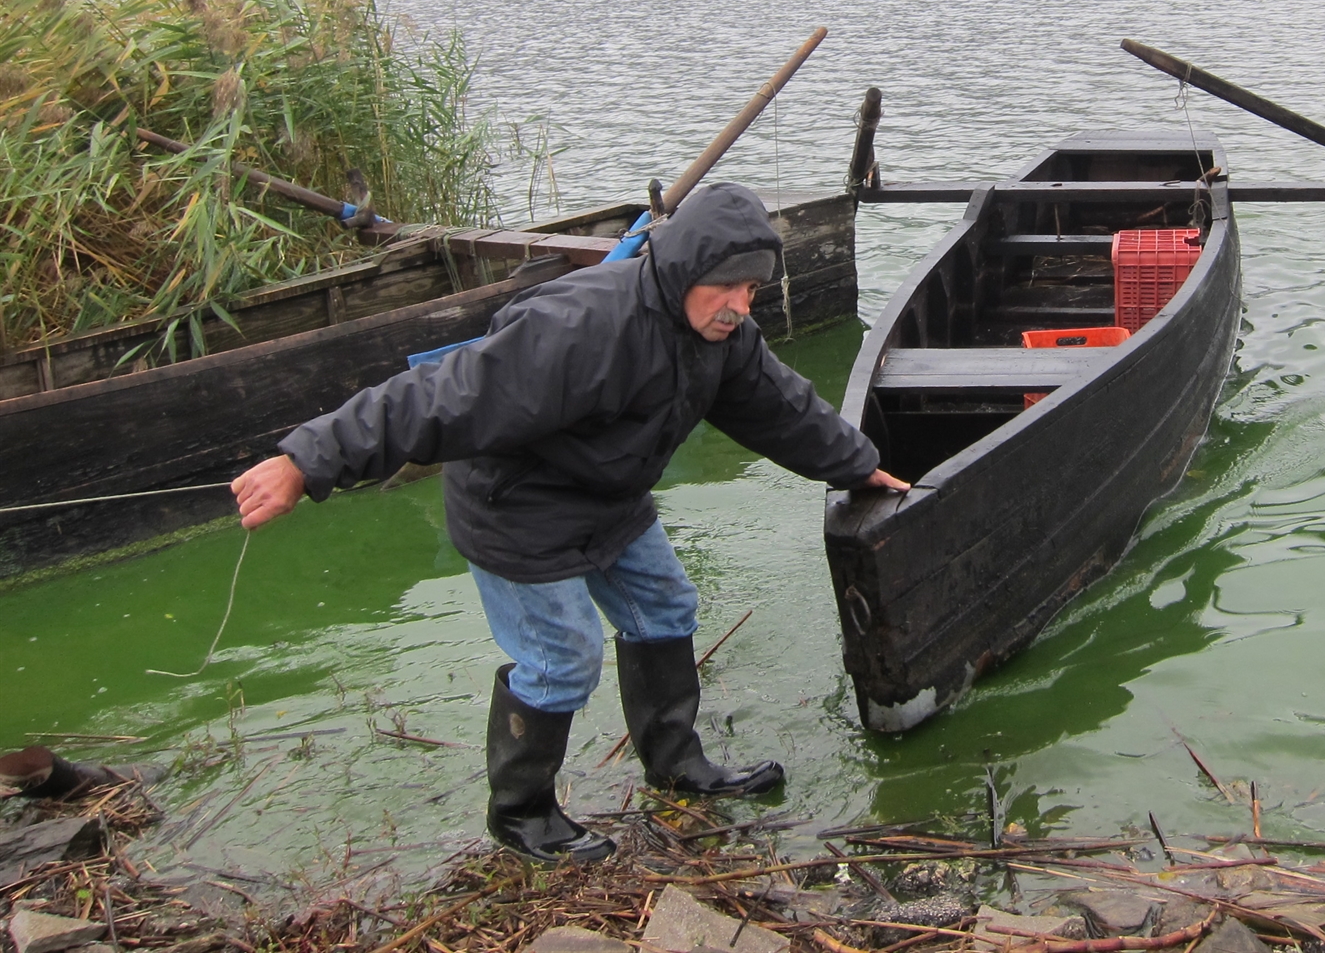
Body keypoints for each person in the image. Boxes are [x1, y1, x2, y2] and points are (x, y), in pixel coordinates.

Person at [230, 183, 909, 863]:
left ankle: (675, 763)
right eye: (724, 286)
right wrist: (305, 463)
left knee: (667, 607)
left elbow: (778, 406)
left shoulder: (721, 336)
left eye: (751, 290)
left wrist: (855, 465)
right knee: (562, 659)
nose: (738, 305)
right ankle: (522, 815)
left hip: (608, 495)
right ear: (683, 272)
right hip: (517, 509)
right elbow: (436, 396)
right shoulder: (579, 328)